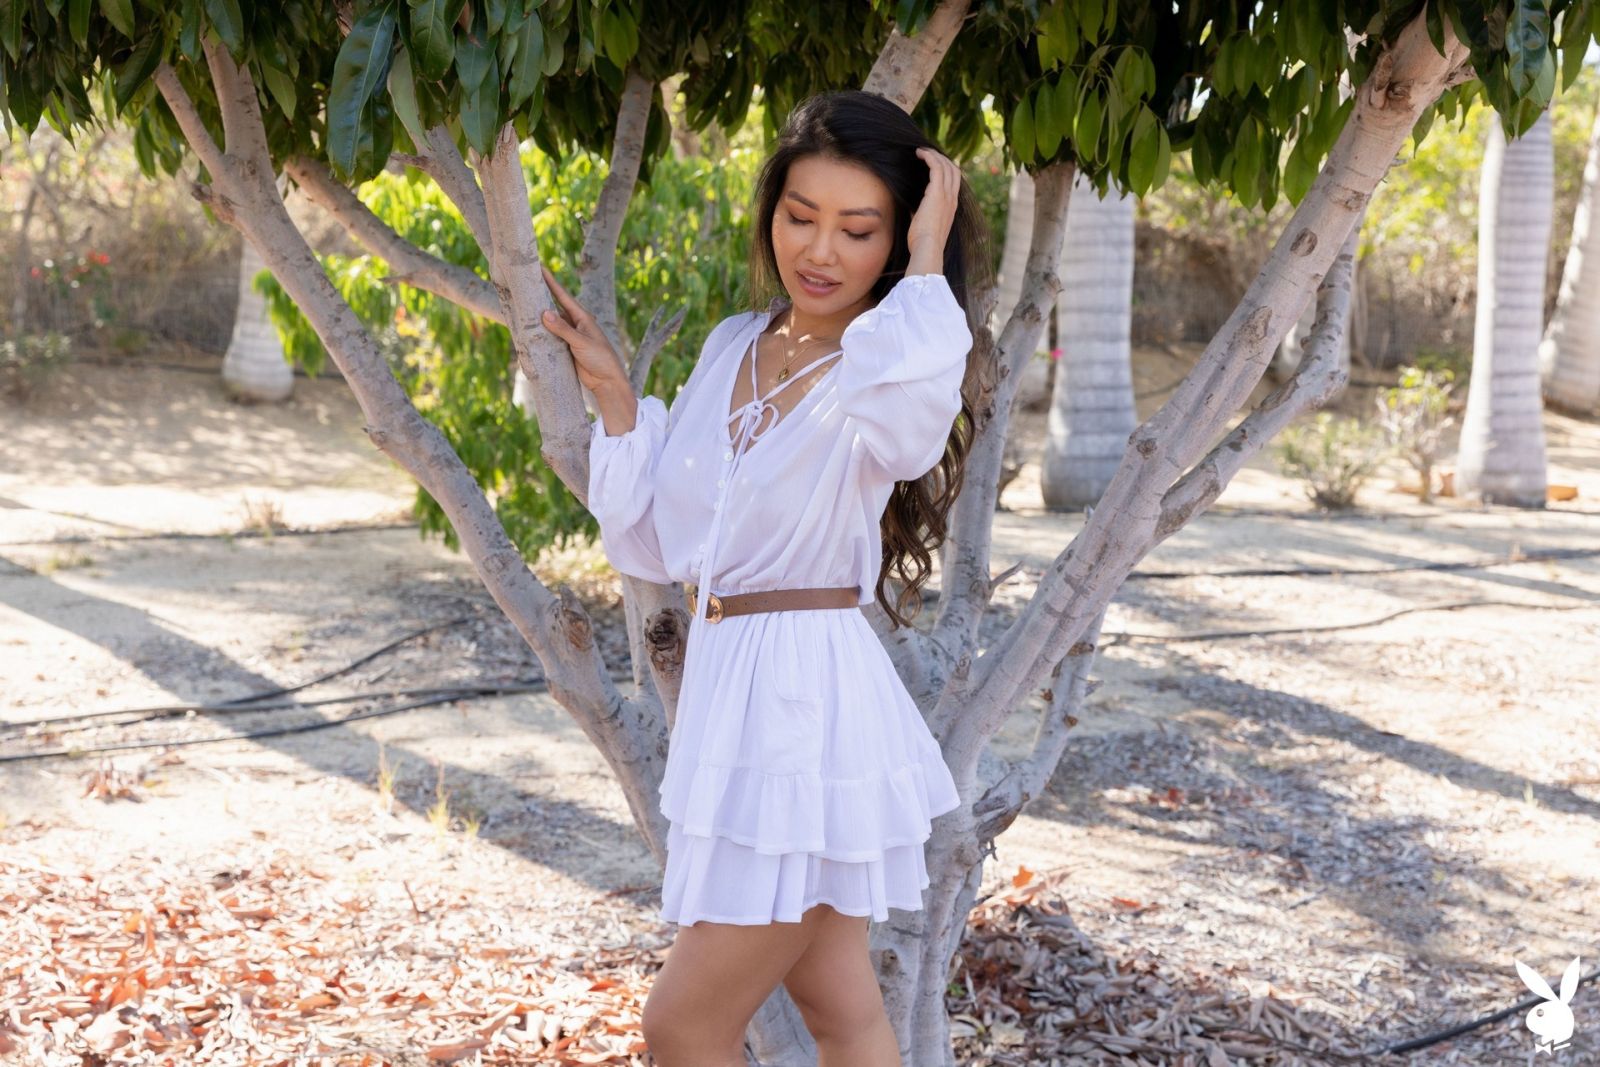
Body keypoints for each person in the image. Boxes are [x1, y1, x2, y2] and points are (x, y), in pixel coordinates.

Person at [540, 89, 992, 1067]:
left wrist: (927, 260)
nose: (821, 251)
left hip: (802, 707)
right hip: (736, 692)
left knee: (682, 1023)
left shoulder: (882, 369)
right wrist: (615, 396)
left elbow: (913, 434)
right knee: (839, 1006)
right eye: (800, 216)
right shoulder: (733, 344)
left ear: (895, 239)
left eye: (859, 229)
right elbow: (657, 544)